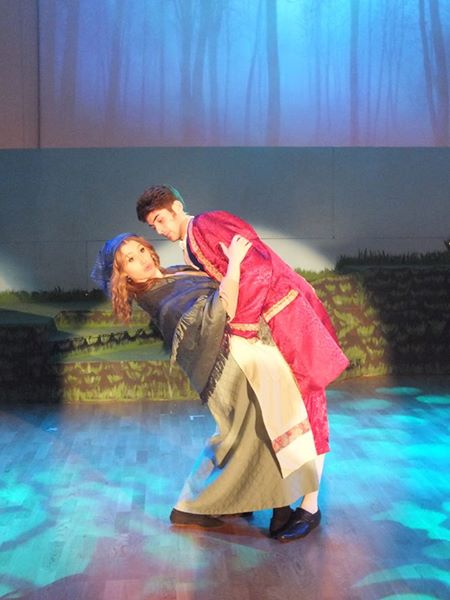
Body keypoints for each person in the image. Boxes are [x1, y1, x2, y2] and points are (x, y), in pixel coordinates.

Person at [135, 185, 350, 542]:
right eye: (153, 225)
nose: (159, 229)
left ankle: (310, 507)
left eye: (160, 219)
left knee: (308, 408)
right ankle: (274, 497)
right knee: (287, 411)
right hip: (270, 321)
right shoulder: (190, 243)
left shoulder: (207, 224)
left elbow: (257, 266)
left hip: (285, 315)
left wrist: (243, 328)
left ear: (177, 207)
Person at [91, 233, 321, 539]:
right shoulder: (158, 297)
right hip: (227, 369)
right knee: (262, 429)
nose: (142, 259)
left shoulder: (173, 273)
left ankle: (199, 505)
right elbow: (220, 308)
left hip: (238, 359)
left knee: (241, 437)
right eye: (130, 259)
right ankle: (280, 513)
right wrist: (235, 263)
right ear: (124, 276)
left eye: (141, 249)